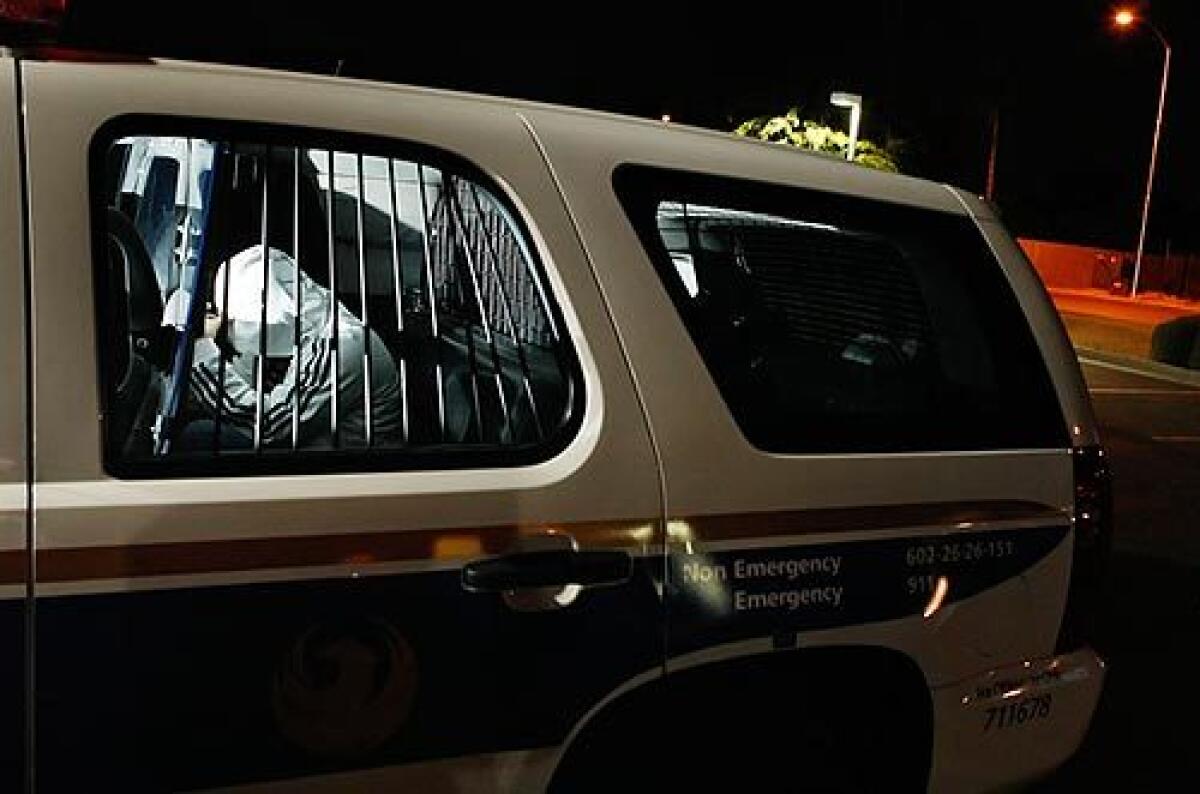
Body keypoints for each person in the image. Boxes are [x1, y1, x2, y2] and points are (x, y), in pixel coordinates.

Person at [163, 245, 401, 449]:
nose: (231, 329)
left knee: (199, 436)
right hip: (318, 448)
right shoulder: (302, 327)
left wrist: (200, 351)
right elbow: (246, 380)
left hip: (349, 472)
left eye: (234, 321)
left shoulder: (341, 346)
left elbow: (270, 426)